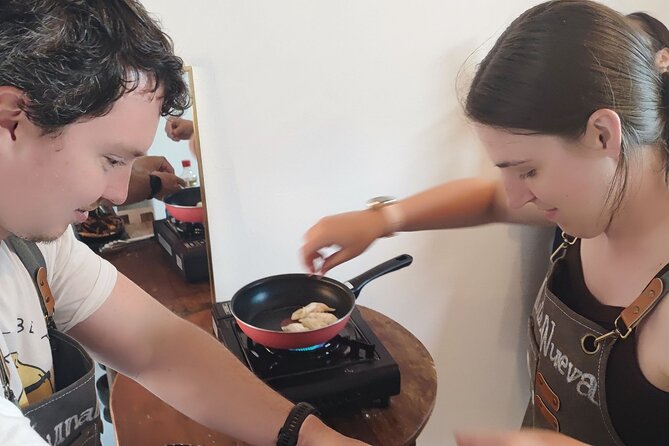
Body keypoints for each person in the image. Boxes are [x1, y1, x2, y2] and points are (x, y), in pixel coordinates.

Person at [301, 2, 669, 445]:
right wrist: (381, 218)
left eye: (528, 171)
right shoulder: (595, 194)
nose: (516, 196)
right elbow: (489, 200)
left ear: (603, 134)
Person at [0, 1, 366, 445]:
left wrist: (308, 437)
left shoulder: (31, 244)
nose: (117, 194)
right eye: (111, 159)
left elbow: (157, 346)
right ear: (11, 119)